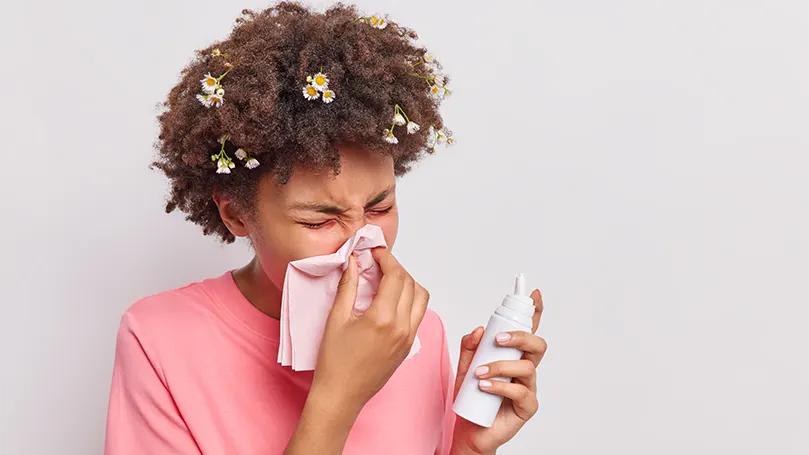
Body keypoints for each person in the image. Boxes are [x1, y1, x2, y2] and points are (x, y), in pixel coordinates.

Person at [104, 3, 548, 454]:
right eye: (319, 220)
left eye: (380, 208)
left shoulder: (414, 334)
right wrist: (338, 397)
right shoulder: (159, 340)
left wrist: (470, 447)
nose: (361, 243)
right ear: (236, 214)